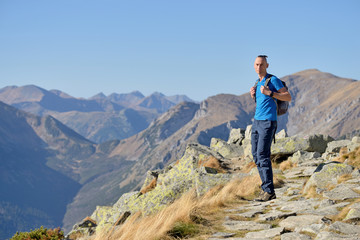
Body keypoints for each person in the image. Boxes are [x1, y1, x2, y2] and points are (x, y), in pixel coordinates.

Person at [249, 55, 291, 201]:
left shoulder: (273, 80)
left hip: (268, 122)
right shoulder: (257, 81)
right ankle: (265, 188)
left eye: (261, 64)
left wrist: (271, 93)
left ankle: (269, 191)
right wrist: (253, 95)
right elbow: (263, 102)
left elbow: (287, 96)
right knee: (255, 155)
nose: (259, 67)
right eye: (256, 64)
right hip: (257, 122)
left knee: (262, 155)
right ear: (254, 66)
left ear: (267, 65)